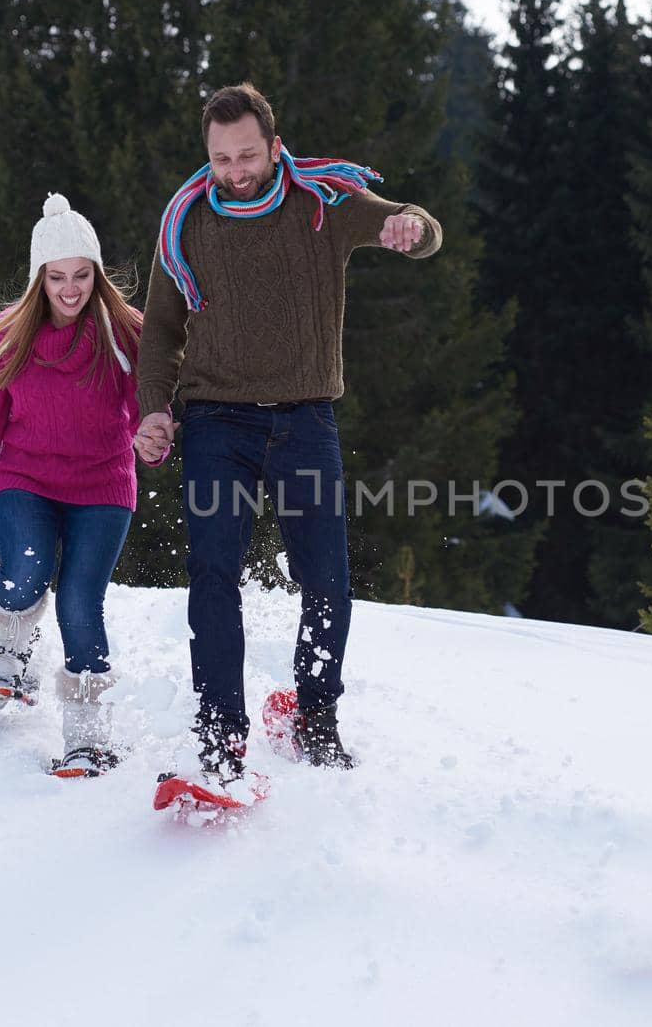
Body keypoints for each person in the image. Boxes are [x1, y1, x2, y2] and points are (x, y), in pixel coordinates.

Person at [132, 83, 442, 784]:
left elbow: (414, 224)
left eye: (247, 155)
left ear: (274, 148)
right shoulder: (187, 224)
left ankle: (317, 719)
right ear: (206, 156)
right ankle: (221, 738)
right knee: (213, 575)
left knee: (326, 578)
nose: (235, 172)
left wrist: (412, 231)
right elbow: (159, 331)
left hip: (305, 420)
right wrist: (155, 409)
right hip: (216, 422)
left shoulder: (321, 205)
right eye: (220, 159)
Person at [0, 192, 156, 778]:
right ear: (38, 280)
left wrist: (154, 436)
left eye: (81, 276)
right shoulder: (13, 338)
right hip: (25, 478)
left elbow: (142, 410)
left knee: (79, 602)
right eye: (57, 278)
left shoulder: (126, 335)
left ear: (96, 275)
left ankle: (88, 736)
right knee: (24, 572)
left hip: (102, 486)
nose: (70, 289)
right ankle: (0, 646)